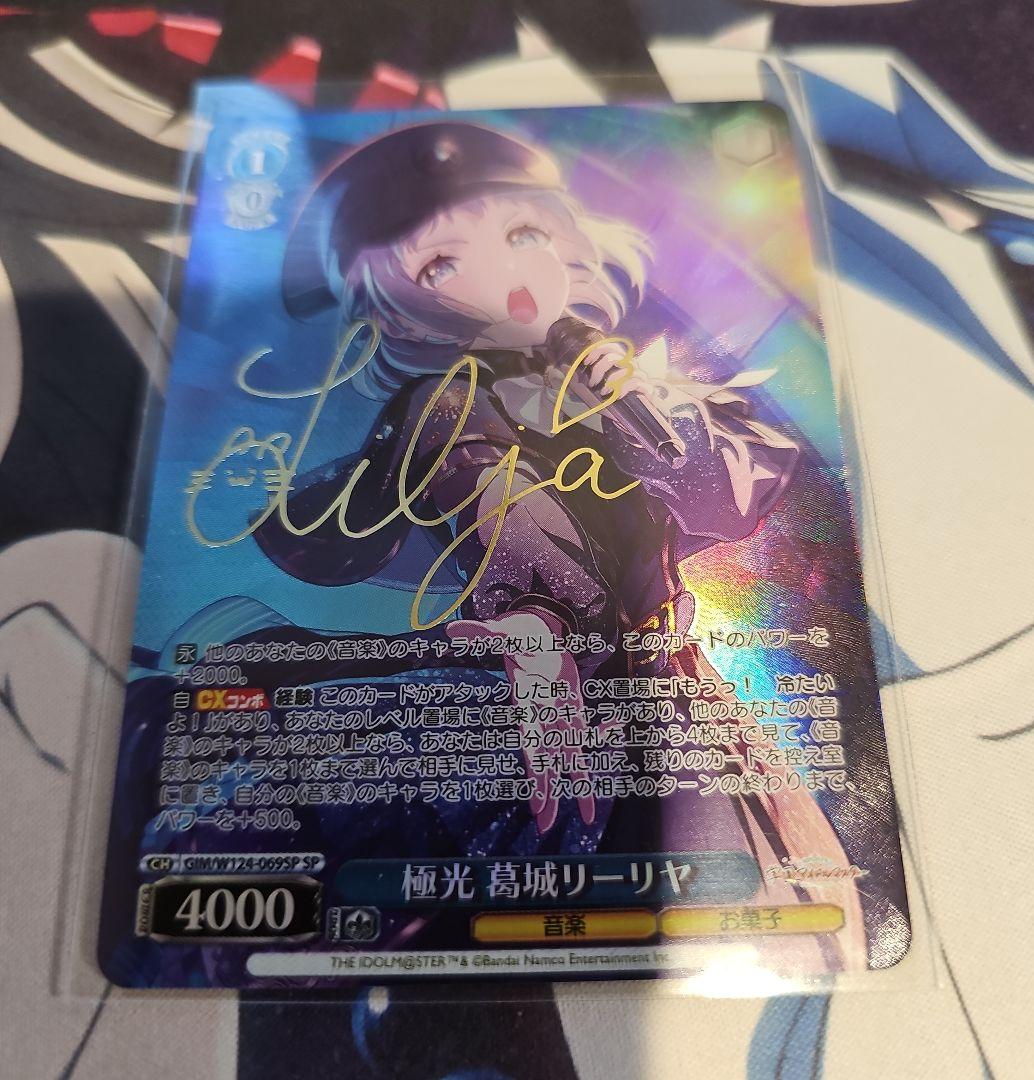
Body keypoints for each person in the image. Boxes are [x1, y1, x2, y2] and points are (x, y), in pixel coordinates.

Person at [246, 119, 865, 970]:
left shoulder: (637, 383)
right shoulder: (448, 405)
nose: (502, 275)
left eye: (523, 234)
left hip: (678, 691)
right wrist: (536, 625)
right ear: (395, 309)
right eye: (440, 265)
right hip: (548, 691)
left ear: (570, 238)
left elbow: (728, 505)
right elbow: (505, 514)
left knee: (773, 914)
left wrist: (644, 410)